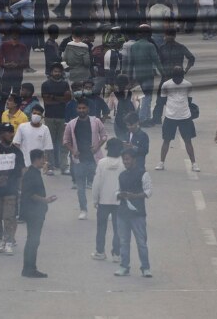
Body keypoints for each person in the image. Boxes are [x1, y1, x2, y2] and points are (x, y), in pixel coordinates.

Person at [63, 99, 106, 220]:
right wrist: (73, 151)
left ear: (88, 109)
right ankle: (83, 210)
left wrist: (97, 147)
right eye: (79, 108)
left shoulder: (96, 121)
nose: (81, 110)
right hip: (79, 161)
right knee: (80, 188)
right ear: (76, 109)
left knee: (99, 186)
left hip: (94, 160)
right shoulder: (71, 124)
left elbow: (104, 136)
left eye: (84, 108)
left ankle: (103, 209)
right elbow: (66, 141)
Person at [0, 122, 24, 255]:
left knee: (9, 217)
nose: (10, 134)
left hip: (11, 190)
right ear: (1, 134)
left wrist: (20, 189)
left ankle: (8, 242)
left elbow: (21, 172)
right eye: (7, 132)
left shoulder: (17, 151)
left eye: (12, 132)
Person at [114, 149, 152, 277]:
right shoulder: (122, 175)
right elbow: (117, 191)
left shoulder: (143, 174)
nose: (126, 162)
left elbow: (148, 192)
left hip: (138, 214)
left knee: (141, 242)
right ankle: (124, 266)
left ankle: (145, 268)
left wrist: (133, 196)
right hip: (123, 213)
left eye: (128, 159)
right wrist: (120, 195)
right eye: (124, 159)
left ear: (134, 160)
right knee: (124, 241)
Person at [20, 148, 56, 278]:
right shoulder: (31, 174)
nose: (44, 161)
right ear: (37, 159)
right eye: (43, 159)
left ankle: (30, 267)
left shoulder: (33, 172)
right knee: (33, 240)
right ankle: (29, 268)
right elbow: (30, 194)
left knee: (34, 240)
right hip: (33, 212)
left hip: (36, 212)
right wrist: (45, 200)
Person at [155, 67, 198, 172]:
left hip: (185, 116)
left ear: (182, 77)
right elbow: (163, 99)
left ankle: (194, 164)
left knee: (188, 140)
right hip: (170, 116)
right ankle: (161, 163)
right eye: (176, 79)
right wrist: (172, 107)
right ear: (172, 77)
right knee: (166, 140)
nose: (177, 81)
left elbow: (189, 99)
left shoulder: (187, 84)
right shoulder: (166, 85)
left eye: (179, 79)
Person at [91, 138, 124, 262]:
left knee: (101, 227)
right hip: (119, 201)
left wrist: (95, 199)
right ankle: (117, 254)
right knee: (118, 229)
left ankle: (100, 252)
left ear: (107, 148)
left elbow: (96, 183)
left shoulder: (101, 163)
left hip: (103, 201)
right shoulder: (123, 164)